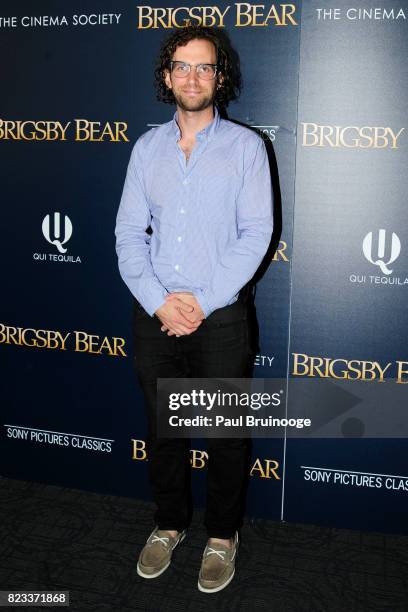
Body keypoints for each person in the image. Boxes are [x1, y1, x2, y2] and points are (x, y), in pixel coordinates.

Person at [115, 24, 273, 593]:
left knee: (226, 435)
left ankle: (223, 536)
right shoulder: (146, 149)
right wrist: (160, 302)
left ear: (220, 76)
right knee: (164, 431)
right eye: (182, 65)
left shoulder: (246, 148)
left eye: (204, 66)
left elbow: (256, 235)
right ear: (167, 75)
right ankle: (169, 525)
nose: (193, 76)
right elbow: (129, 234)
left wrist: (201, 303)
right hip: (155, 313)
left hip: (221, 316)